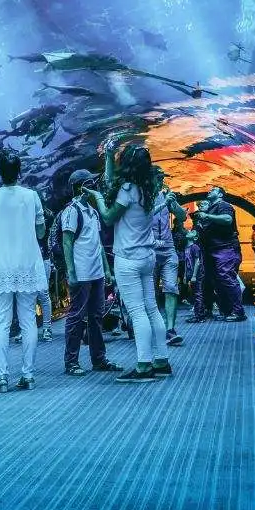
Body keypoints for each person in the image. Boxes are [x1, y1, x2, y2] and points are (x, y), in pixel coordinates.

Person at [87, 143, 170, 382]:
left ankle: (144, 365)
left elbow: (108, 217)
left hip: (128, 258)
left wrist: (99, 198)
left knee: (136, 311)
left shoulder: (127, 189)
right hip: (147, 256)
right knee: (152, 308)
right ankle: (161, 360)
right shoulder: (149, 188)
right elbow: (113, 181)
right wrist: (110, 156)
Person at [0, 150, 48, 391]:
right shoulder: (31, 196)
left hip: (0, 266)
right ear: (19, 171)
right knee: (29, 320)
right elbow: (41, 232)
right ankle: (27, 375)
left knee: (2, 322)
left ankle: (1, 376)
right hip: (27, 263)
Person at [58, 169, 123, 375]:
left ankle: (99, 359)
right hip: (82, 272)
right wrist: (71, 272)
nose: (95, 185)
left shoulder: (94, 212)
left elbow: (98, 244)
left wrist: (106, 269)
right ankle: (71, 362)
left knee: (96, 317)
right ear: (81, 187)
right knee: (76, 316)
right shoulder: (72, 211)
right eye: (90, 183)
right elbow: (67, 242)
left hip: (97, 273)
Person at [193, 186, 247, 322]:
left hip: (225, 248)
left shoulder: (223, 205)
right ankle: (228, 310)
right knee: (219, 281)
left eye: (213, 190)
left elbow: (228, 219)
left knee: (227, 277)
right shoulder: (211, 208)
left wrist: (207, 216)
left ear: (221, 195)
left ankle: (238, 312)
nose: (209, 191)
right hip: (213, 250)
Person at [150, 168, 189, 346]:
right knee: (150, 291)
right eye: (158, 178)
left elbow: (181, 216)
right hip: (148, 249)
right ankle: (152, 328)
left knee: (171, 287)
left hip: (168, 248)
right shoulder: (142, 197)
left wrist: (173, 203)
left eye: (162, 178)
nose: (161, 181)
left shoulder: (166, 196)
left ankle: (170, 329)